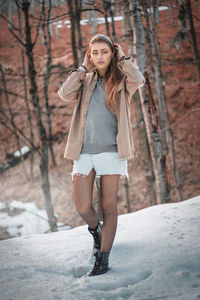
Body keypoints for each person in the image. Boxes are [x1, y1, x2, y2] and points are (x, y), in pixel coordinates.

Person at [58, 34, 145, 276]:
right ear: (89, 54)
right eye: (94, 52)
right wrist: (81, 69)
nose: (99, 56)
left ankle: (103, 259)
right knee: (83, 206)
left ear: (112, 53)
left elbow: (140, 79)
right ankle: (96, 230)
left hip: (112, 152)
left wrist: (123, 58)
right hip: (84, 151)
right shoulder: (84, 80)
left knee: (109, 207)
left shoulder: (123, 81)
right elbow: (64, 94)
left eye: (104, 52)